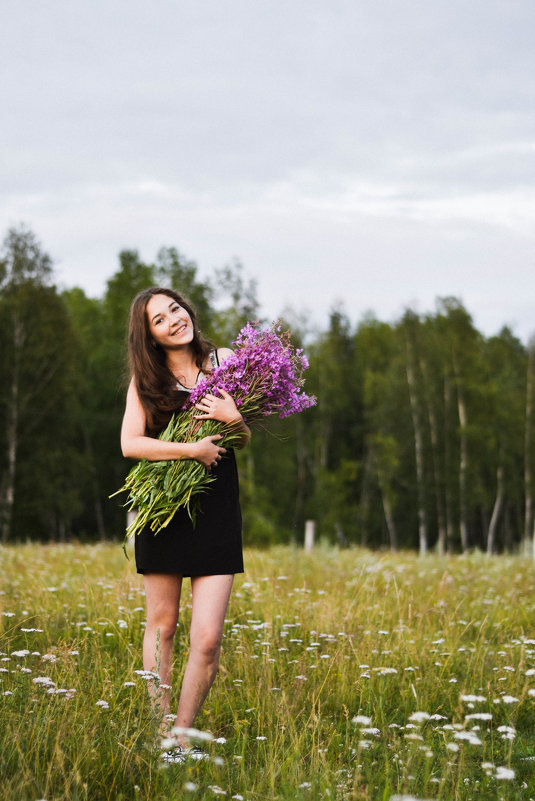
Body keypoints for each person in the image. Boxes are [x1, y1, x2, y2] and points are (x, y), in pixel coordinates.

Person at [120, 287, 250, 761]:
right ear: (150, 335)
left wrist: (235, 419)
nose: (173, 319)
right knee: (163, 624)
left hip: (216, 507)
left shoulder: (227, 362)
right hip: (166, 509)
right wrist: (189, 450)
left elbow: (242, 437)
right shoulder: (146, 378)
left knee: (209, 637)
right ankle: (159, 736)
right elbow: (131, 444)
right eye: (159, 318)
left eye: (175, 308)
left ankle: (181, 738)